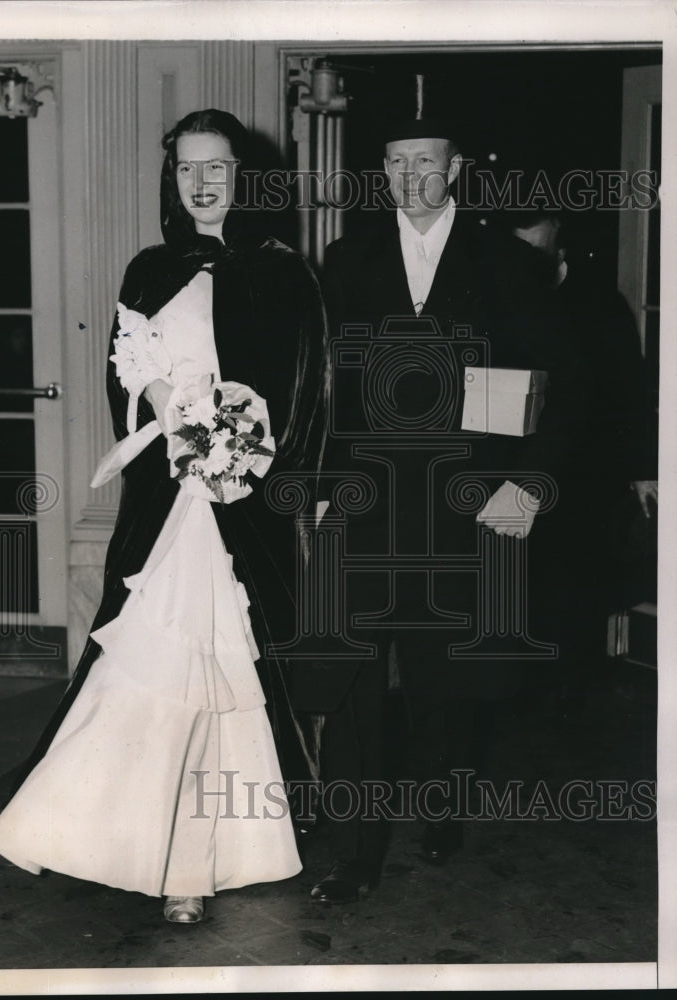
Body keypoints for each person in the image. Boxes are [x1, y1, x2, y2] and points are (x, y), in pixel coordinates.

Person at [0, 109, 328, 924]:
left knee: (225, 671)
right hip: (167, 500)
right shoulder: (147, 271)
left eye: (218, 168)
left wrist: (256, 462)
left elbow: (309, 391)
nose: (202, 184)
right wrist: (168, 409)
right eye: (185, 170)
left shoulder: (285, 273)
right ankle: (114, 838)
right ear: (170, 181)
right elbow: (123, 376)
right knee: (147, 665)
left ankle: (197, 862)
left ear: (247, 176)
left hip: (242, 509)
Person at [299, 116, 572, 903]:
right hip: (364, 501)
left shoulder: (511, 265)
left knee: (443, 679)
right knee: (349, 673)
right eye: (394, 162)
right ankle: (354, 851)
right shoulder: (344, 262)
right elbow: (323, 393)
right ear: (381, 174)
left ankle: (441, 806)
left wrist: (526, 487)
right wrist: (319, 489)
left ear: (454, 169)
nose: (409, 174)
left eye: (425, 160)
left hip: (468, 504)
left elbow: (565, 389)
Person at [509, 209, 658, 700]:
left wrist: (641, 470)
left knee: (576, 595)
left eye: (537, 250)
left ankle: (573, 695)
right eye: (518, 250)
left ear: (561, 249)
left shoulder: (599, 304)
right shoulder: (499, 299)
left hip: (584, 475)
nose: (527, 260)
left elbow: (631, 391)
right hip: (520, 468)